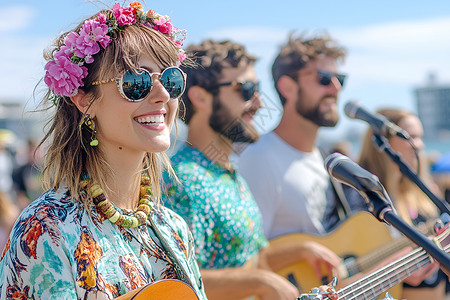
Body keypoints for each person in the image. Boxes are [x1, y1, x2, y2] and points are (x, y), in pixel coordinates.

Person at [0, 2, 207, 299]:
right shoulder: (48, 229)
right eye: (137, 81)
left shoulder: (173, 228)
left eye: (170, 80)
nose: (162, 95)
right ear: (85, 101)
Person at [163, 39, 342, 300]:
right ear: (201, 97)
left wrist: (302, 250)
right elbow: (178, 282)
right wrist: (261, 283)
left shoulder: (227, 173)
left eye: (257, 89)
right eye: (246, 90)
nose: (258, 102)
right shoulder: (183, 180)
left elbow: (250, 259)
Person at [238, 32, 364, 240]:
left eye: (339, 79)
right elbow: (251, 257)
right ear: (288, 87)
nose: (336, 88)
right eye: (324, 78)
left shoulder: (323, 159)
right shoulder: (260, 158)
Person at [358, 108, 446, 300]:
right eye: (410, 137)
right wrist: (399, 271)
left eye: (420, 137)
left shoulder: (425, 193)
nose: (419, 145)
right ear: (382, 142)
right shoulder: (364, 199)